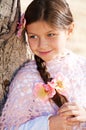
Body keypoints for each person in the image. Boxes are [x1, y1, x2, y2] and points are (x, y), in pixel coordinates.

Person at [0, 0, 86, 129]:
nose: (42, 45)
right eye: (33, 36)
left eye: (51, 35)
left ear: (70, 30)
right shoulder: (26, 79)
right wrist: (48, 124)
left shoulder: (82, 68)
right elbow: (10, 127)